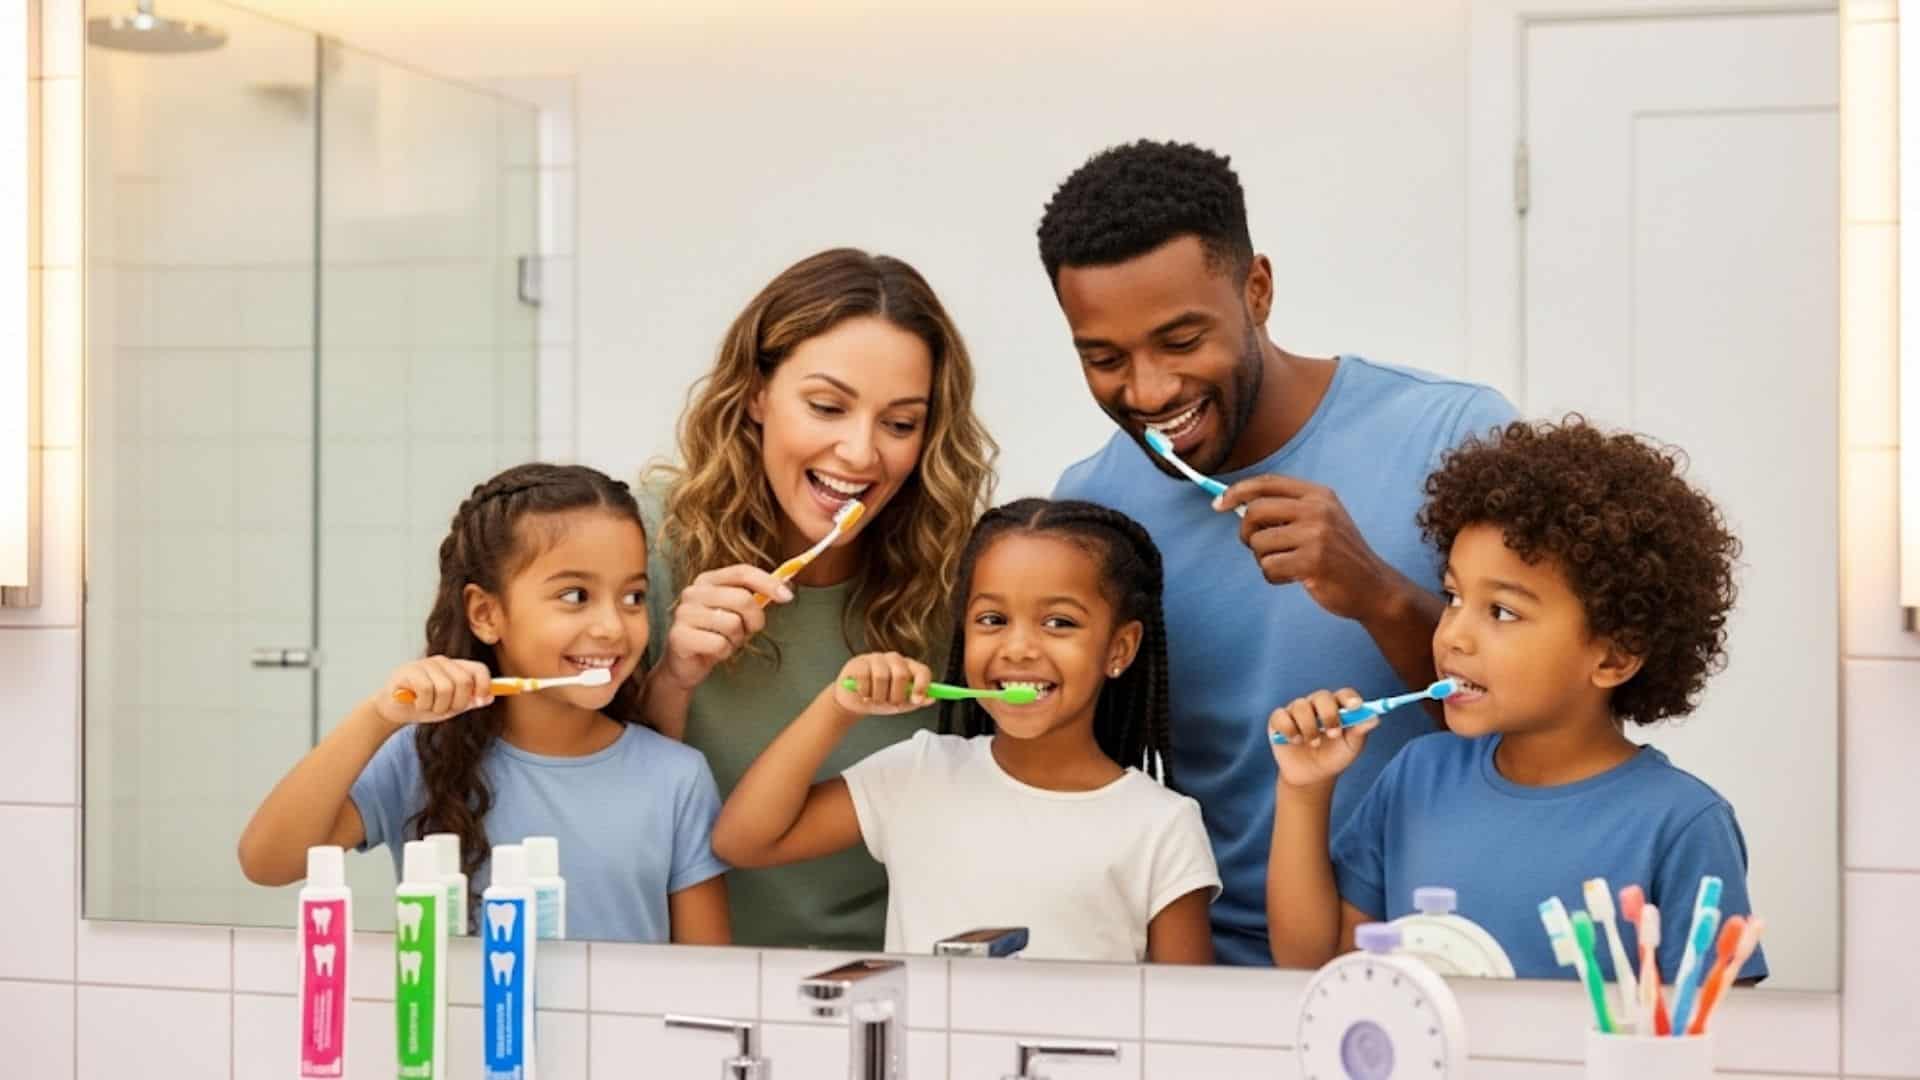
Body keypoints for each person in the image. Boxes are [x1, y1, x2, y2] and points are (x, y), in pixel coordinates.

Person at [1043, 139, 1518, 964]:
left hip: (1452, 956)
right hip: (1215, 968)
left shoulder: (1456, 435)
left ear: (1256, 290)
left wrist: (1375, 591)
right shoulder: (1093, 508)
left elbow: (1554, 715)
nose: (1149, 392)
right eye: (1106, 359)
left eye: (1182, 341)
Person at [1266, 418, 1766, 983]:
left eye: (1501, 611)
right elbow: (1314, 964)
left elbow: (1724, 1037)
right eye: (1452, 597)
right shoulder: (1417, 776)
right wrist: (1304, 792)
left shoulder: (1681, 824)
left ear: (1614, 658)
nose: (1453, 634)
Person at [640, 248, 997, 949]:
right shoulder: (645, 546)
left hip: (897, 983)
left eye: (900, 424)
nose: (860, 454)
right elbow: (599, 805)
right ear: (755, 392)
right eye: (827, 406)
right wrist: (673, 677)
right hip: (681, 978)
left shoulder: (959, 577)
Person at [237, 463, 730, 944]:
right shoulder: (421, 758)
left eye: (633, 597)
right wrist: (378, 717)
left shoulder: (676, 777)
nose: (612, 626)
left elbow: (705, 982)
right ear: (486, 613)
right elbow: (268, 862)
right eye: (576, 595)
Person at [711, 499, 1219, 963]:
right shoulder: (920, 772)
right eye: (992, 619)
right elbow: (744, 841)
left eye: (1060, 623)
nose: (1018, 647)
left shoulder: (1162, 826)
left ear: (1119, 649)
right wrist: (837, 707)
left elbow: (1188, 1021)